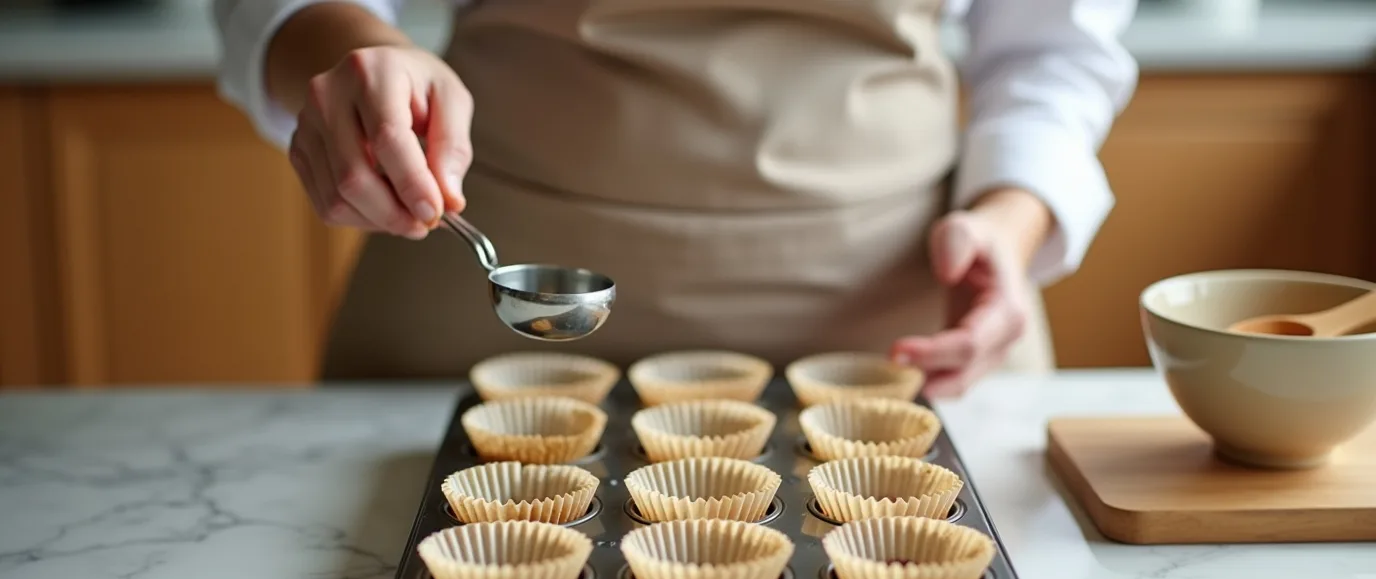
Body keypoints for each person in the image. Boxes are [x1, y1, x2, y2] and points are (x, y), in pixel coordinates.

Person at [212, 0, 1137, 397]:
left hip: (901, 322)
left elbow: (1056, 48)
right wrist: (355, 52)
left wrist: (1011, 226)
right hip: (473, 306)